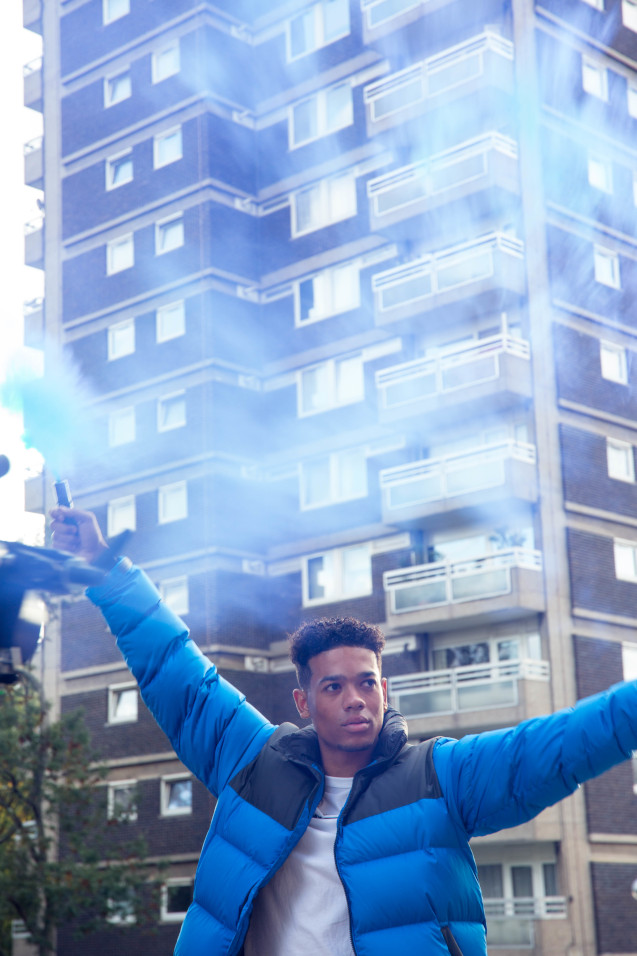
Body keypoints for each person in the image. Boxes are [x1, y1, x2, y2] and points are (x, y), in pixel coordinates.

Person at [51, 506, 637, 956]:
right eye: (334, 687)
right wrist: (105, 567)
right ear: (304, 700)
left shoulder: (440, 777)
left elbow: (562, 745)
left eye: (367, 682)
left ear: (386, 688)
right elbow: (177, 671)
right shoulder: (254, 761)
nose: (356, 699)